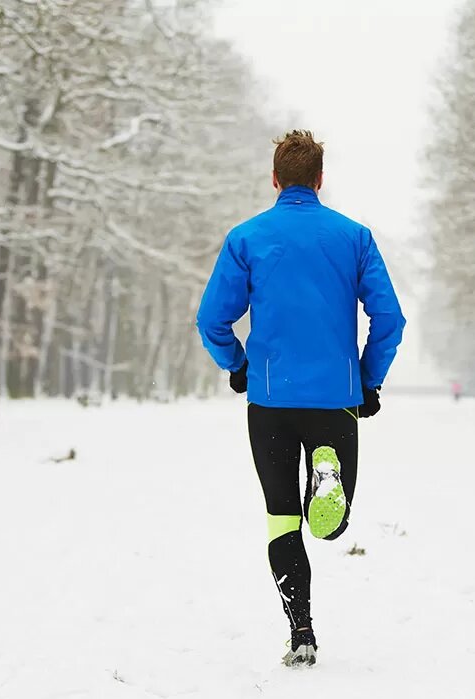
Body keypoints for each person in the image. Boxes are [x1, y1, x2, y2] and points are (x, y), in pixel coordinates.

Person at [195, 130, 405, 667]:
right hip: (335, 400)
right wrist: (368, 379)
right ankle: (326, 476)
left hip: (270, 402)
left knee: (281, 519)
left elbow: (211, 319)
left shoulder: (246, 238)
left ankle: (302, 632)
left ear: (275, 179)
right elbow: (389, 317)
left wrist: (238, 366)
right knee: (330, 524)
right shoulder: (354, 238)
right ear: (319, 179)